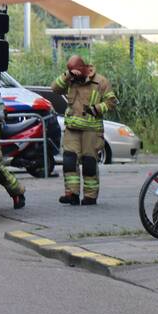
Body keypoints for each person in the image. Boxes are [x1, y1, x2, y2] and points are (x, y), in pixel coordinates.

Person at [51, 55, 116, 206]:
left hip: (91, 130)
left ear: (83, 69)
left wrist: (97, 109)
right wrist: (68, 75)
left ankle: (90, 196)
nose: (76, 77)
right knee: (69, 160)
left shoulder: (100, 82)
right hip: (72, 128)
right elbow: (54, 88)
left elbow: (111, 102)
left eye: (76, 73)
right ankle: (72, 194)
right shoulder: (71, 79)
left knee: (89, 163)